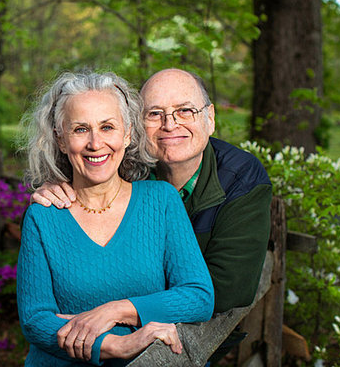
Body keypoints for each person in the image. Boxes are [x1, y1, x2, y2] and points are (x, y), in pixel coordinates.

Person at [32, 68, 273, 363]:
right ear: (137, 127)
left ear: (210, 118)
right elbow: (36, 314)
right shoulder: (126, 170)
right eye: (155, 114)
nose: (170, 124)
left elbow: (217, 291)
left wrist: (114, 310)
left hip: (181, 344)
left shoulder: (237, 178)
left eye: (185, 111)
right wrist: (55, 187)